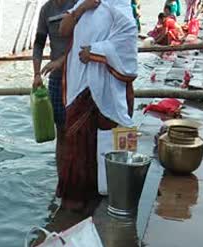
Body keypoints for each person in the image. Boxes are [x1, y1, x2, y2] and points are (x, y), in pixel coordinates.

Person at [58, 0, 138, 212]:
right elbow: (63, 29)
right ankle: (76, 203)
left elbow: (128, 39)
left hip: (108, 88)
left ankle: (114, 194)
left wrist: (96, 51)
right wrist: (82, 8)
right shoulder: (82, 5)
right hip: (79, 85)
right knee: (77, 143)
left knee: (111, 141)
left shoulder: (118, 6)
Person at [33, 0, 76, 171]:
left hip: (78, 76)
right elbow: (38, 43)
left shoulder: (77, 4)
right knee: (62, 131)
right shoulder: (46, 10)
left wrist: (60, 61)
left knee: (80, 131)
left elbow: (86, 42)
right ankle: (62, 179)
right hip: (57, 78)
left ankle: (79, 179)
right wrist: (37, 74)